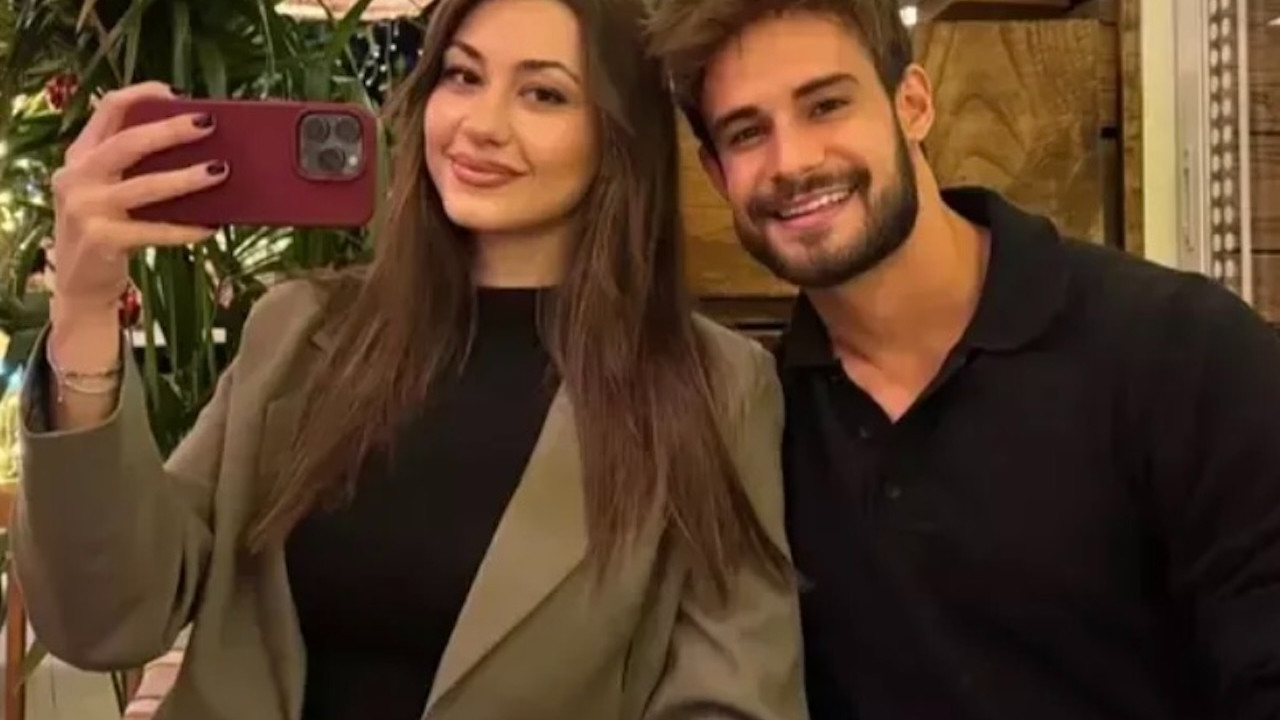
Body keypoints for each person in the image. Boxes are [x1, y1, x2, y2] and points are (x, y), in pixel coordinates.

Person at [13, 0, 811, 718]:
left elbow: (735, 696)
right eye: (463, 76)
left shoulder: (713, 386)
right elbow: (106, 616)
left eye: (543, 93)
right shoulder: (300, 332)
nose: (481, 125)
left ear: (619, 135)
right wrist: (83, 311)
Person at [645, 1, 1280, 719]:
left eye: (826, 105)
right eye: (747, 133)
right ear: (716, 172)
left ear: (913, 104)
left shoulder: (1183, 350)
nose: (792, 161)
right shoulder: (756, 428)